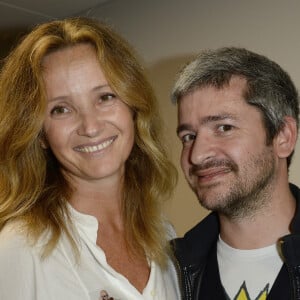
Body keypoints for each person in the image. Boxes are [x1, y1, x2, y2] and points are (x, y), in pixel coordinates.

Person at [0, 17, 180, 300]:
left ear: (133, 107)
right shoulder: (21, 248)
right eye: (61, 109)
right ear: (40, 135)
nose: (91, 126)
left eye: (105, 97)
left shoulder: (164, 235)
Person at [171, 47, 300, 299]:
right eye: (188, 136)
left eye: (224, 127)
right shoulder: (167, 274)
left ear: (283, 136)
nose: (196, 155)